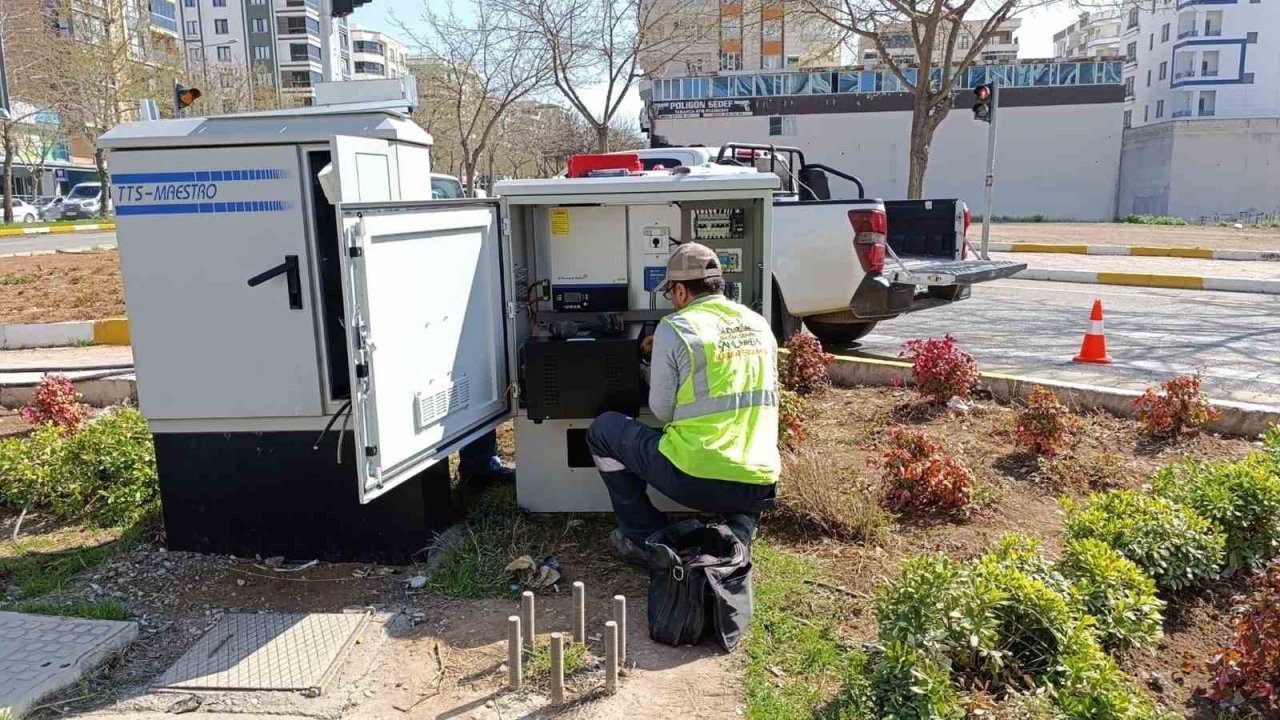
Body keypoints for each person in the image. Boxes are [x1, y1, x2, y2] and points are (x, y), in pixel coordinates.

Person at [586, 243, 780, 566]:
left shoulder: (676, 327)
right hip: (759, 483)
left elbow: (661, 410)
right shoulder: (758, 324)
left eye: (670, 295)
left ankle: (644, 537)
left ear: (679, 291)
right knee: (744, 453)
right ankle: (739, 533)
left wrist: (649, 366)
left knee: (604, 430)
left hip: (696, 477)